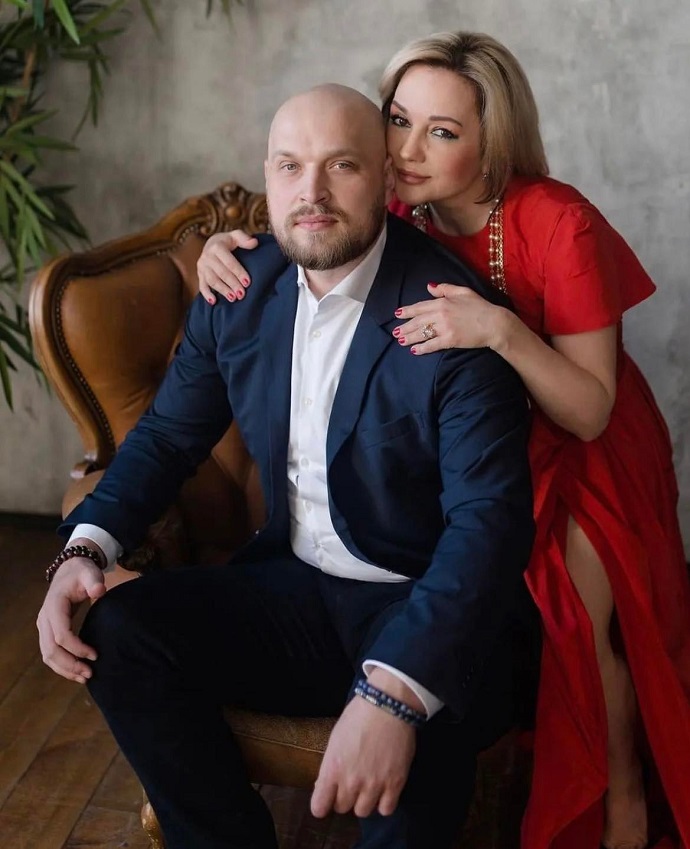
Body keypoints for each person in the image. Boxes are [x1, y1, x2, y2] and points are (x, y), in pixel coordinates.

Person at [196, 31, 690, 849]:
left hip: (580, 433)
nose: (405, 150)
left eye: (443, 132)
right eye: (398, 121)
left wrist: (498, 329)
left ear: (492, 143)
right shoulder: (401, 203)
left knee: (574, 602)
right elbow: (312, 218)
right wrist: (230, 248)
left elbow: (591, 409)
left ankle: (624, 789)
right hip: (477, 436)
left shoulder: (559, 222)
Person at [36, 83, 537, 849]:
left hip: (425, 601)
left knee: (415, 769)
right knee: (118, 628)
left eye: (342, 165)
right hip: (296, 589)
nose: (312, 192)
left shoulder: (455, 315)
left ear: (386, 176)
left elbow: (487, 525)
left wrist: (395, 691)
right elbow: (167, 435)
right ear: (267, 177)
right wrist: (85, 548)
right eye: (290, 166)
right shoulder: (238, 288)